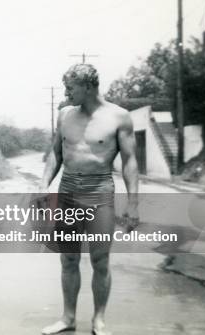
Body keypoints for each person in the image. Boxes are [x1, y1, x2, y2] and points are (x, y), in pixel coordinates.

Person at [39, 64, 139, 335]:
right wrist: (43, 184)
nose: (66, 92)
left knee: (100, 260)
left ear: (88, 86)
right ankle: (68, 317)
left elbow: (129, 162)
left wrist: (133, 204)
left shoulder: (119, 117)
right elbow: (55, 154)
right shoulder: (64, 115)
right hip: (68, 192)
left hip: (100, 194)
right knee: (68, 260)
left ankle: (98, 320)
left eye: (70, 87)